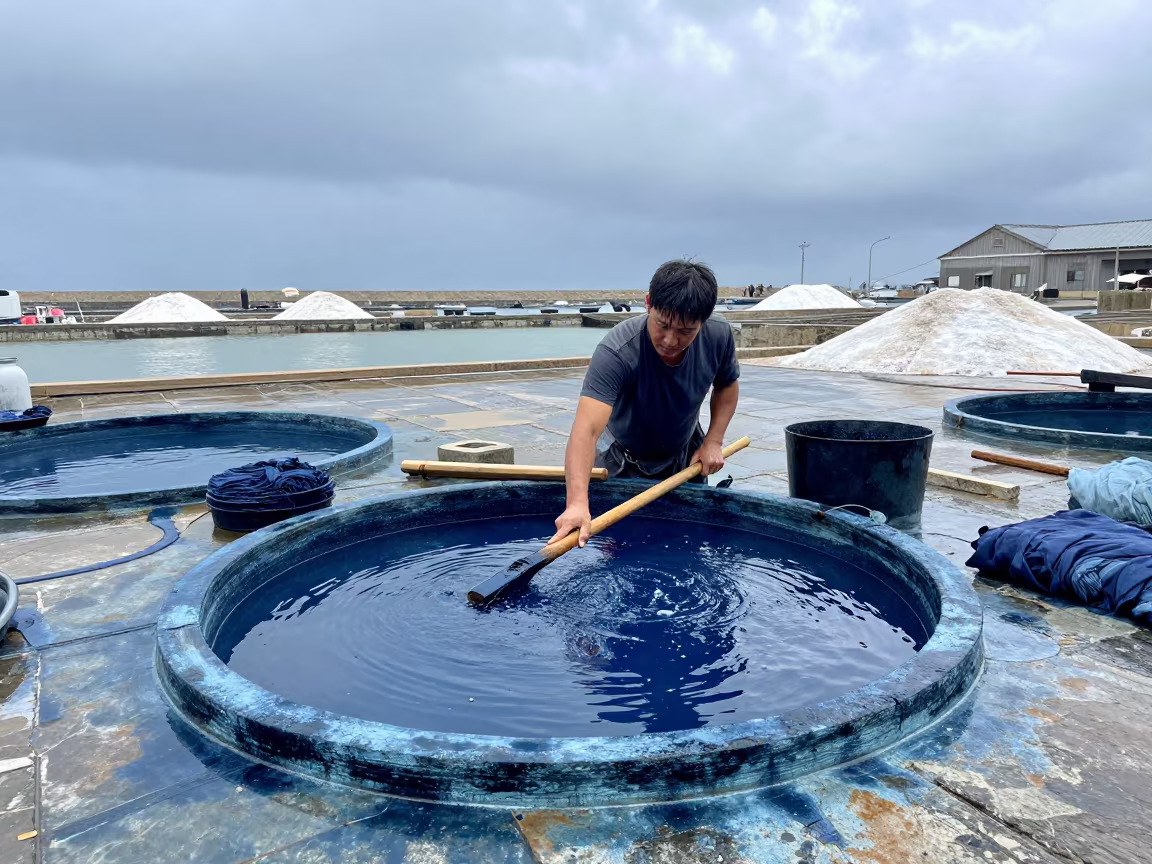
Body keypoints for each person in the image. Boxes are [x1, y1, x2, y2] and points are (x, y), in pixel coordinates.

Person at [551, 259, 740, 546]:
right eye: (662, 325)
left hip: (684, 453)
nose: (670, 340)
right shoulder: (617, 351)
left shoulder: (718, 334)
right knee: (619, 545)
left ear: (704, 320)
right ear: (648, 303)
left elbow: (727, 384)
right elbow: (586, 429)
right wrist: (577, 503)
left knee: (685, 540)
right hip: (623, 459)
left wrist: (713, 441)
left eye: (685, 331)